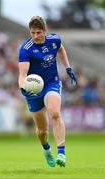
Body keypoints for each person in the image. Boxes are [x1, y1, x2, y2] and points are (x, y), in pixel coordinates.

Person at [18, 16, 77, 167]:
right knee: (42, 131)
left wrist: (68, 67)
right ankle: (46, 149)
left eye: (39, 32)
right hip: (34, 89)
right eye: (32, 33)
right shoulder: (26, 50)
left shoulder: (54, 40)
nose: (36, 36)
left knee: (55, 114)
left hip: (52, 83)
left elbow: (61, 50)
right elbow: (22, 75)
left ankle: (61, 153)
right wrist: (23, 88)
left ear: (45, 31)